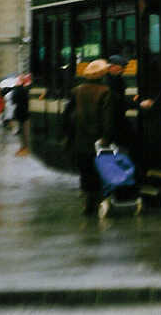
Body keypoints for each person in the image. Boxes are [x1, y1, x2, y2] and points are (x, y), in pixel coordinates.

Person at [68, 59, 115, 215]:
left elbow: (68, 115)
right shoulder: (105, 92)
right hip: (98, 140)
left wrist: (70, 136)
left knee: (85, 171)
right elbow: (108, 119)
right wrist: (107, 138)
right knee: (98, 171)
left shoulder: (76, 91)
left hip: (80, 139)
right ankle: (100, 202)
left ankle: (88, 204)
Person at [12, 74, 31, 156]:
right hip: (23, 113)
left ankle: (25, 148)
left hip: (23, 113)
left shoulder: (22, 89)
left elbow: (14, 100)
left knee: (25, 132)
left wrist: (17, 87)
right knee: (24, 132)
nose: (17, 81)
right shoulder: (22, 89)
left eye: (19, 79)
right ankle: (24, 147)